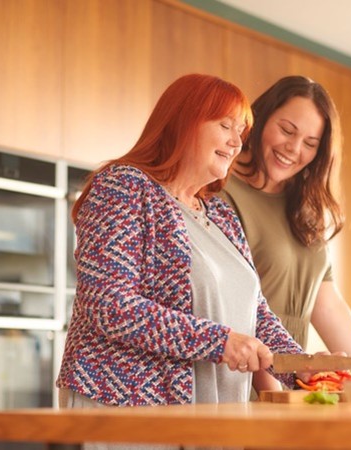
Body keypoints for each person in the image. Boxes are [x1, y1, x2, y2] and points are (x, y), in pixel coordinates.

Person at [56, 74, 308, 444]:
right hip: (127, 409)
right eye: (225, 125)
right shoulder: (123, 188)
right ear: (183, 121)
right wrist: (219, 341)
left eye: (240, 131)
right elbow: (109, 305)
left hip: (215, 413)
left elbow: (256, 315)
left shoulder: (220, 215)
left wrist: (307, 369)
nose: (236, 142)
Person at [221, 75, 351, 388]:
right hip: (243, 379)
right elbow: (230, 309)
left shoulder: (305, 210)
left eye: (310, 144)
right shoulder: (223, 193)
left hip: (290, 377)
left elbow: (327, 305)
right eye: (286, 130)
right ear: (262, 117)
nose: (293, 149)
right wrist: (274, 395)